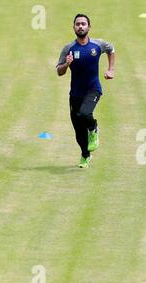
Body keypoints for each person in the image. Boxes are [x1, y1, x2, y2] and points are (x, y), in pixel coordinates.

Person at [56, 14, 115, 168]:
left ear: (89, 27)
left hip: (93, 89)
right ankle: (85, 155)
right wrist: (66, 64)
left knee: (85, 114)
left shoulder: (97, 45)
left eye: (83, 24)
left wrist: (111, 69)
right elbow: (59, 72)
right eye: (77, 24)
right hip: (75, 94)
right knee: (78, 130)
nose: (80, 26)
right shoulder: (68, 48)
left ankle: (94, 128)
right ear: (73, 27)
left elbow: (111, 49)